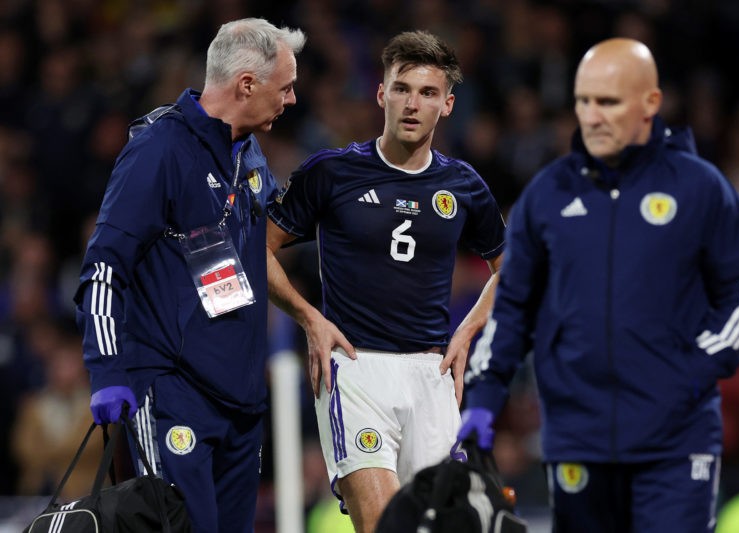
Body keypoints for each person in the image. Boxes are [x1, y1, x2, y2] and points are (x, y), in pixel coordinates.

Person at [457, 37, 739, 533]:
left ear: (650, 103)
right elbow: (513, 306)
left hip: (675, 441)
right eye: (583, 101)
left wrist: (690, 370)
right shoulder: (547, 195)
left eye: (608, 101)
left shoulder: (700, 188)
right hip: (577, 438)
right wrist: (485, 397)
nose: (592, 115)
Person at [266, 30, 505, 533]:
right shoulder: (330, 174)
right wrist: (309, 317)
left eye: (428, 93)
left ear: (448, 105)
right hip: (355, 371)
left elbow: (514, 270)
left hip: (432, 376)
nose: (413, 104)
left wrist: (468, 332)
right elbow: (256, 248)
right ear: (382, 94)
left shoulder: (463, 185)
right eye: (402, 89)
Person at [73, 18, 305, 533]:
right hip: (173, 392)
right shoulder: (158, 149)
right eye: (285, 87)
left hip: (241, 403)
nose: (291, 100)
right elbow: (105, 265)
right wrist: (107, 371)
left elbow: (265, 238)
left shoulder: (247, 151)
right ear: (247, 85)